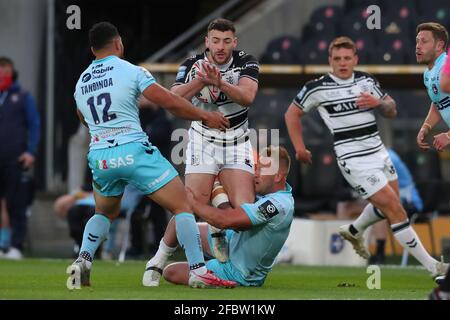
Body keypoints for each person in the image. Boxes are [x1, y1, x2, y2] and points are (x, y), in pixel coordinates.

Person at [66, 21, 236, 290]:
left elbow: (82, 116)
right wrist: (206, 115)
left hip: (101, 156)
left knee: (104, 212)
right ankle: (198, 270)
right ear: (119, 43)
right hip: (133, 150)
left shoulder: (82, 81)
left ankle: (83, 260)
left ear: (92, 49)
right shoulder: (132, 71)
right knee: (183, 204)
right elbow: (168, 101)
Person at [284, 36, 447, 280]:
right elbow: (291, 114)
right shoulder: (317, 87)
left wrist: (378, 102)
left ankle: (353, 229)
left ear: (355, 59)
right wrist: (299, 148)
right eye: (337, 58)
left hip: (379, 151)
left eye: (347, 58)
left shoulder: (366, 80)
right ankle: (435, 268)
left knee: (388, 208)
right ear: (329, 60)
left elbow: (391, 110)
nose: (342, 63)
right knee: (394, 208)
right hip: (353, 157)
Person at [170, 18, 259, 261]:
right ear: (207, 42)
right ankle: (160, 258)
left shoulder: (246, 61)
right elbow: (173, 99)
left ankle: (217, 201)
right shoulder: (191, 64)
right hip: (203, 139)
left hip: (237, 141)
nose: (221, 47)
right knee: (190, 203)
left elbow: (248, 97)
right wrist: (201, 80)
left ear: (234, 42)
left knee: (244, 215)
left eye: (226, 41)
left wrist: (219, 82)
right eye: (216, 41)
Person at [142, 146, 294, 287]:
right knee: (182, 220)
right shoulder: (266, 195)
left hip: (239, 272)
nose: (256, 174)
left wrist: (193, 203)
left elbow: (226, 220)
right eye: (256, 168)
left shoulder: (278, 205)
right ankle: (155, 264)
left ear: (277, 176)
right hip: (231, 241)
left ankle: (214, 250)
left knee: (171, 272)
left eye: (261, 170)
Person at [415, 22, 450, 299]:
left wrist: (449, 134)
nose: (418, 45)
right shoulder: (431, 74)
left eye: (424, 41)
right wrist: (427, 127)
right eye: (416, 41)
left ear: (440, 46)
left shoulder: (446, 69)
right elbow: (438, 103)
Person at [0, 56, 40, 259]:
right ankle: (2, 243)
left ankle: (16, 246)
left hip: (15, 158)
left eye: (5, 70)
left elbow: (34, 125)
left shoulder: (23, 96)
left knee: (16, 203)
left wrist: (30, 151)